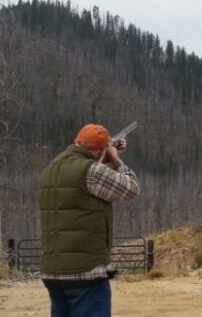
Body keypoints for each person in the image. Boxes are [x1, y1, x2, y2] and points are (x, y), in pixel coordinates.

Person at [40, 123, 140, 317]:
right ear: (99, 151)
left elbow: (82, 188)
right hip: (86, 273)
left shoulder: (52, 168)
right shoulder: (91, 171)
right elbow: (131, 188)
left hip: (53, 272)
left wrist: (105, 159)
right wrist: (117, 161)